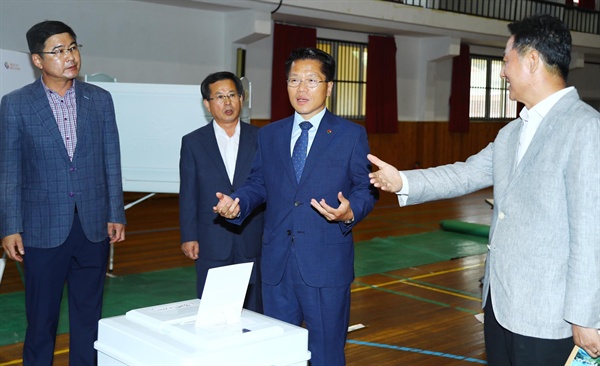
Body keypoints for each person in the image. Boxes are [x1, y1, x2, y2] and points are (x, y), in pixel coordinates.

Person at [368, 14, 600, 365]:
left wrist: (585, 316)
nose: (503, 71)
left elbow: (590, 231)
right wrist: (404, 181)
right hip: (501, 306)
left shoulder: (584, 128)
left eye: (506, 61)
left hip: (551, 316)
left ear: (532, 60)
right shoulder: (511, 133)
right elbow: (466, 174)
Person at [213, 48, 377, 366]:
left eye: (311, 80)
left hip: (325, 265)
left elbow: (365, 189)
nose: (301, 89)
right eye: (294, 80)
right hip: (276, 265)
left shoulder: (350, 135)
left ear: (329, 86)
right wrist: (238, 203)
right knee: (277, 353)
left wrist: (351, 211)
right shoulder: (270, 135)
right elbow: (259, 183)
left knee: (327, 353)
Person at [0, 21, 126, 365]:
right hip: (41, 230)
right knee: (41, 321)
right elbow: (9, 170)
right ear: (38, 60)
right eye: (58, 51)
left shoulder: (99, 100)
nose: (69, 56)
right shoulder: (16, 104)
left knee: (89, 318)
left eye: (72, 47)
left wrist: (115, 211)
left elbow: (110, 159)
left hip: (92, 225)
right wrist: (10, 226)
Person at [179, 71, 264, 312]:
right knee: (214, 310)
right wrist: (189, 235)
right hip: (211, 238)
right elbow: (188, 192)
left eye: (232, 95)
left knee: (254, 309)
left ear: (242, 98)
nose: (227, 102)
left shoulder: (262, 138)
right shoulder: (193, 142)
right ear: (207, 104)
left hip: (252, 236)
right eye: (219, 97)